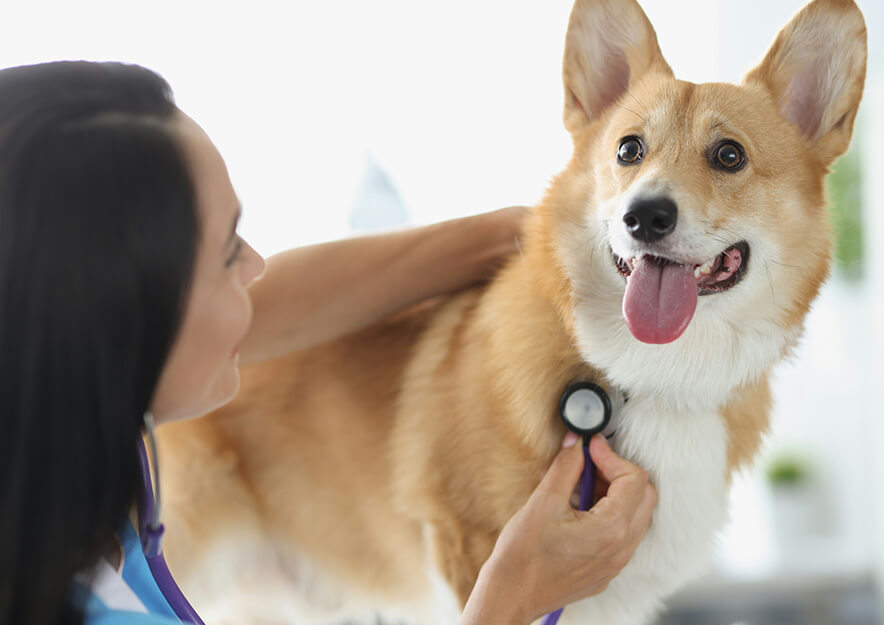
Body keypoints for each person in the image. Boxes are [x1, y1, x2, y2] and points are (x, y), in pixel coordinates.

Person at [0, 61, 657, 625]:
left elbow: (272, 308)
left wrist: (505, 236)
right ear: (119, 314)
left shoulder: (61, 405)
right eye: (230, 250)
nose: (255, 266)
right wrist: (511, 600)